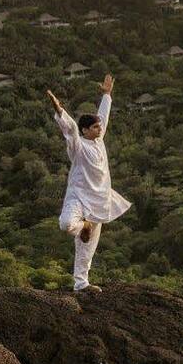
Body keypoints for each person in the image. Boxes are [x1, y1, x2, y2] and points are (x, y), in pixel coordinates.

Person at [47, 73, 130, 292]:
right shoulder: (78, 146)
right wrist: (59, 110)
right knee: (66, 224)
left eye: (98, 127)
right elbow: (70, 130)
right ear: (85, 130)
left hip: (99, 200)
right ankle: (84, 226)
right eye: (94, 127)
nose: (99, 128)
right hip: (78, 198)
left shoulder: (99, 140)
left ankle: (81, 284)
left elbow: (104, 116)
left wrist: (107, 95)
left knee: (87, 248)